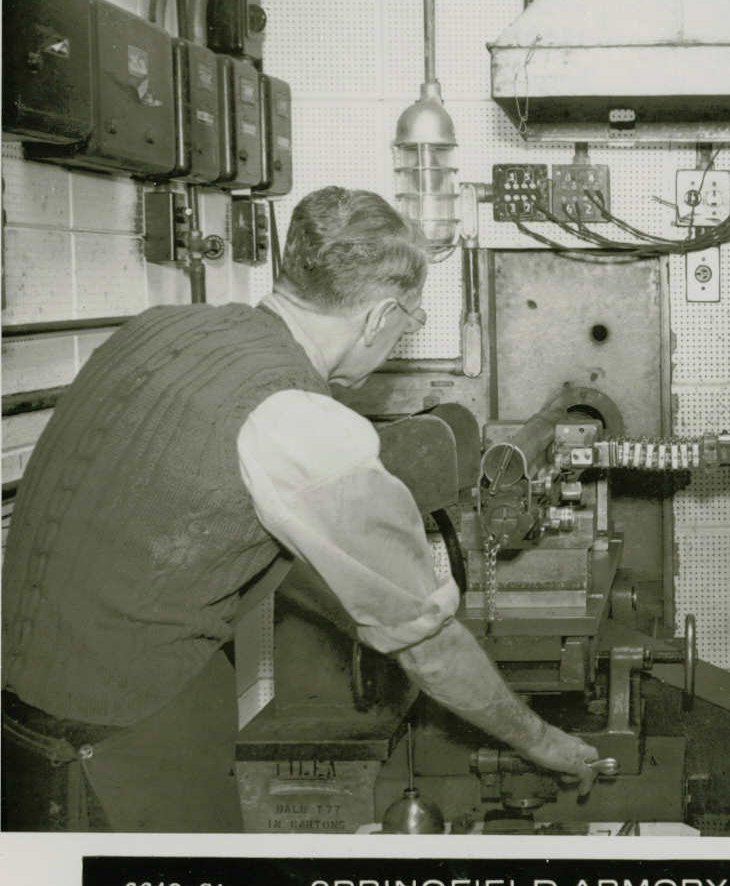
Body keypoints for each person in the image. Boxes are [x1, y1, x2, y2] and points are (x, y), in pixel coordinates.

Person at [2, 186, 597, 832]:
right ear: (377, 316)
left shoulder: (161, 328)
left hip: (21, 721)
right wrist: (545, 743)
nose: (402, 333)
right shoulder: (300, 422)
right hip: (115, 760)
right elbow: (430, 650)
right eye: (411, 319)